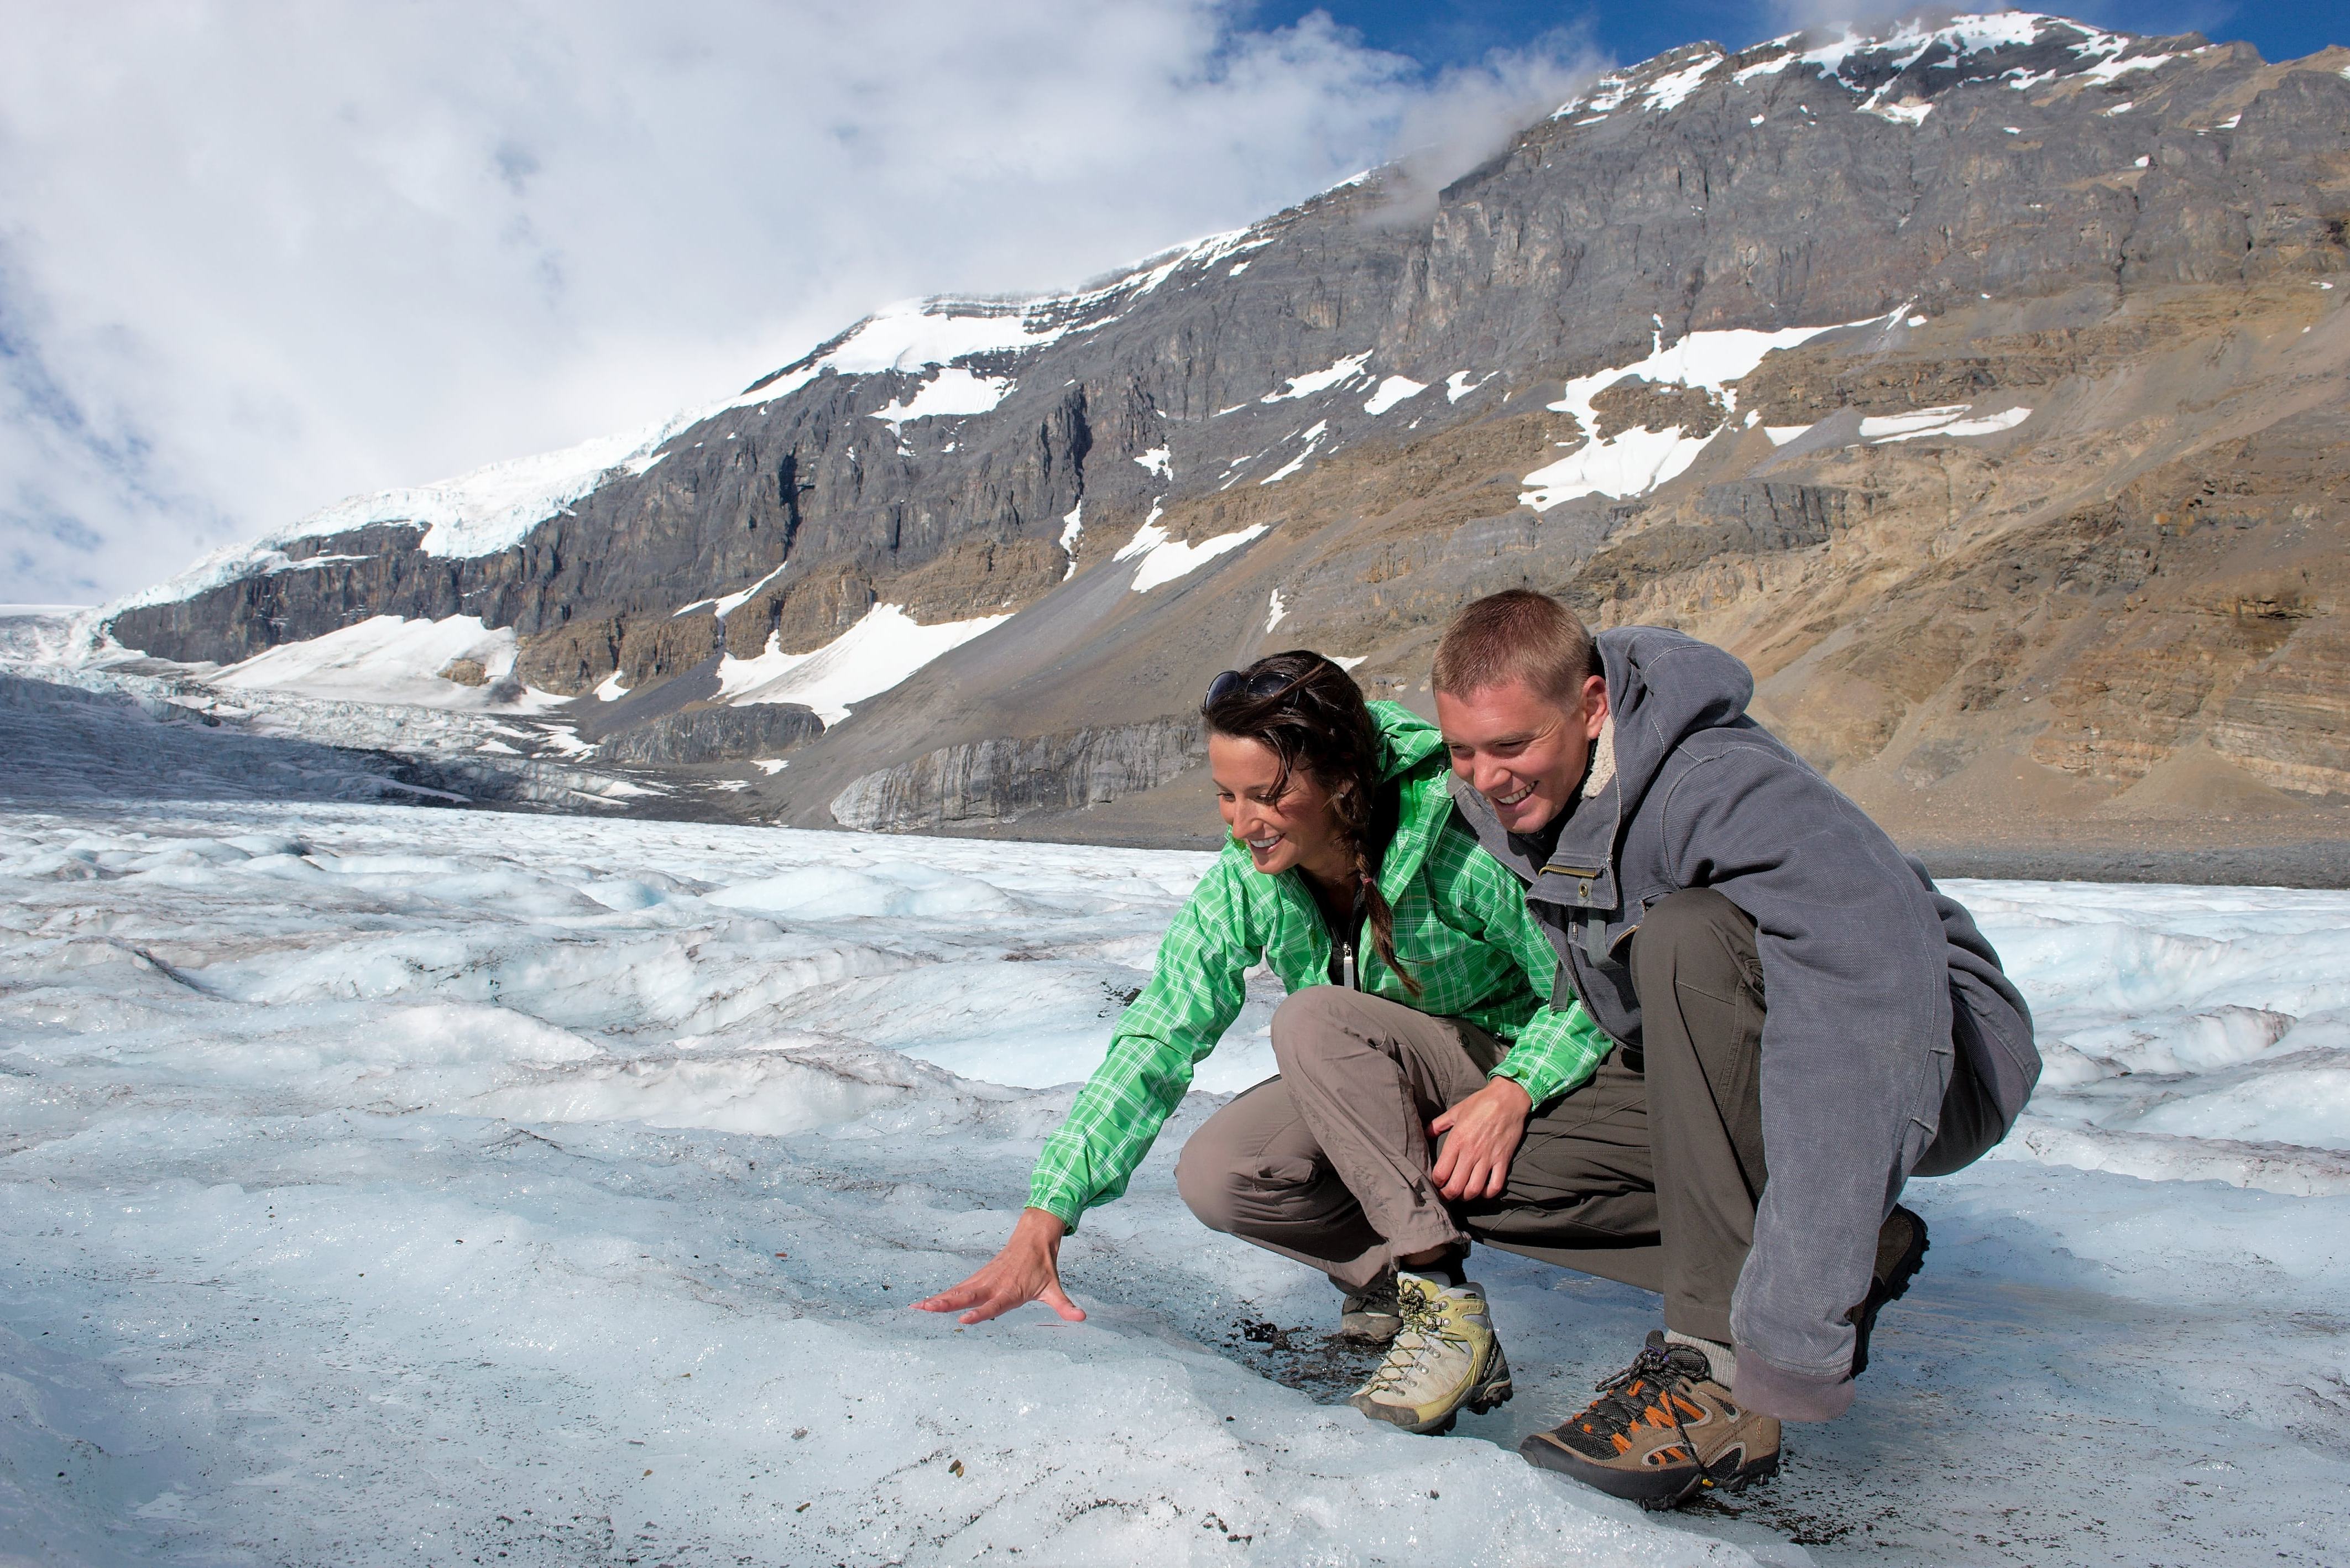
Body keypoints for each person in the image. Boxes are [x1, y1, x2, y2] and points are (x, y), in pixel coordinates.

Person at [1426, 589, 2039, 1508]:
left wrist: (1790, 1341)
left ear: (1591, 707)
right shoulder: (1520, 793)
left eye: (1512, 746)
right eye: (1462, 751)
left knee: (1688, 933)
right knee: (1468, 1178)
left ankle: (1714, 1379)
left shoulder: (1716, 784)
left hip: (1935, 1054)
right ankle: (1856, 1248)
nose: (1486, 777)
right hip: (1738, 1043)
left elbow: (1865, 1012)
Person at [916, 650, 1613, 1435]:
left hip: (1504, 1075)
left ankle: (1442, 1303)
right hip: (1377, 1076)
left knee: (1312, 1017)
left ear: (1341, 781)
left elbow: (1582, 987)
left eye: (1269, 794)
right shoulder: (1247, 878)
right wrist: (1046, 1215)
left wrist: (1514, 1087)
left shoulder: (1455, 846)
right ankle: (1392, 1283)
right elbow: (1158, 1035)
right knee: (1221, 1174)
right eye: (1225, 795)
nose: (1243, 823)